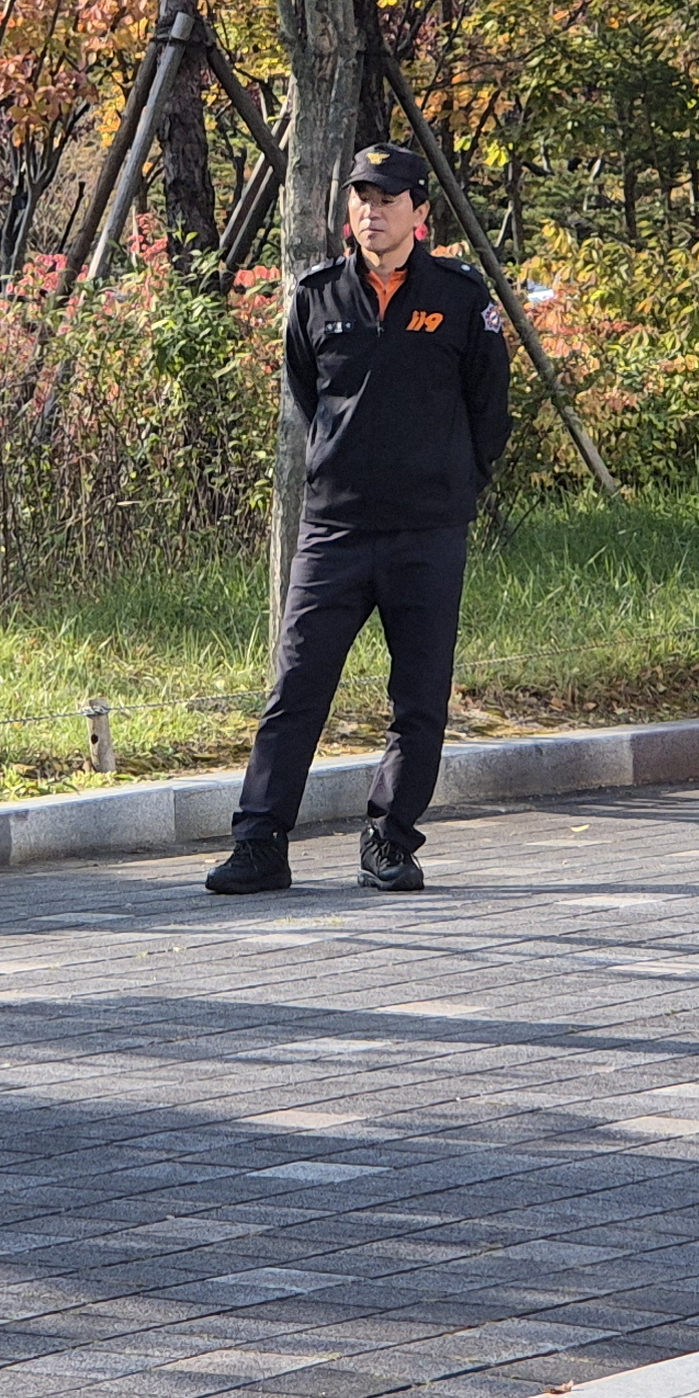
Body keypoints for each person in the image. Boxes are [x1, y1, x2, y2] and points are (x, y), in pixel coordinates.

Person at [210, 144, 510, 897]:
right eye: (361, 200)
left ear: (420, 214)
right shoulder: (316, 297)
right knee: (296, 688)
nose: (372, 214)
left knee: (420, 698)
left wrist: (449, 485)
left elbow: (491, 416)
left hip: (427, 531)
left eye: (387, 200)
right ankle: (260, 843)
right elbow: (308, 394)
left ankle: (389, 840)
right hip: (335, 531)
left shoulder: (464, 299)